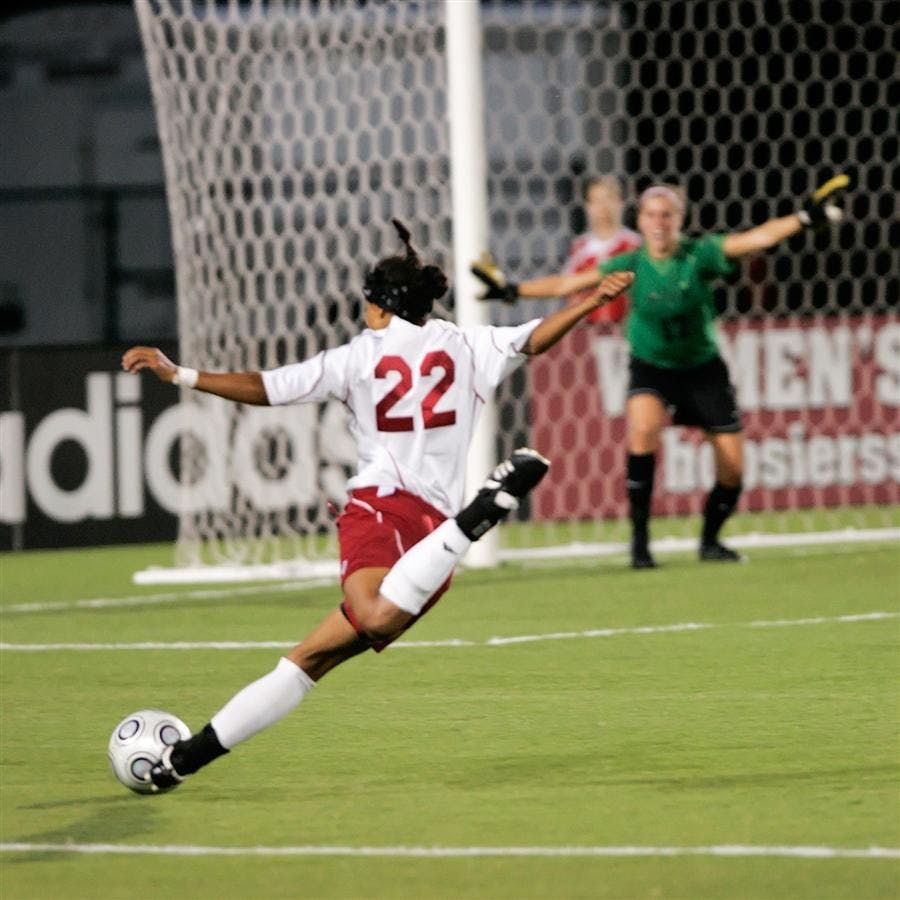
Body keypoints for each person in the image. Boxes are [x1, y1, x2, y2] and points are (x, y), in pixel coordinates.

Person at [121, 219, 633, 790]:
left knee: (370, 613)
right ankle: (183, 761)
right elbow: (534, 337)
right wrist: (590, 302)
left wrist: (181, 374)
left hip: (383, 508)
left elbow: (268, 387)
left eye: (367, 304)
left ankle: (480, 514)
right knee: (311, 658)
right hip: (431, 542)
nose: (363, 313)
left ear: (382, 309)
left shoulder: (358, 356)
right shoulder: (469, 343)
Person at [472, 175, 849, 569]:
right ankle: (640, 544)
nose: (659, 222)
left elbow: (756, 238)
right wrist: (512, 290)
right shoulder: (630, 263)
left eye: (667, 215)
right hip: (652, 366)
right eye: (651, 214)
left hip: (702, 369)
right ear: (641, 220)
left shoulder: (699, 254)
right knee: (643, 431)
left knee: (733, 467)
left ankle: (710, 541)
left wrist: (804, 218)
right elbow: (571, 282)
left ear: (679, 219)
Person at [562, 175, 641, 323]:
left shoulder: (635, 245)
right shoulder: (579, 248)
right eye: (596, 201)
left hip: (627, 329)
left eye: (609, 199)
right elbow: (570, 294)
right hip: (590, 330)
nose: (603, 208)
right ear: (587, 206)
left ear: (621, 203)